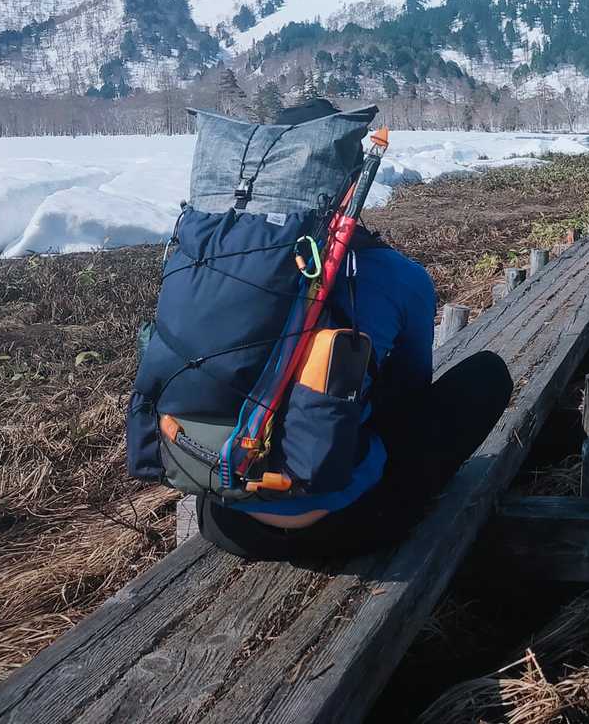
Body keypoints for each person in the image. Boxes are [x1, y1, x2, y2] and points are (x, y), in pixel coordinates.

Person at [195, 100, 512, 561]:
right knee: (487, 375)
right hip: (350, 523)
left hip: (224, 518)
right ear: (352, 181)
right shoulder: (397, 274)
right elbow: (407, 395)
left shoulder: (210, 262)